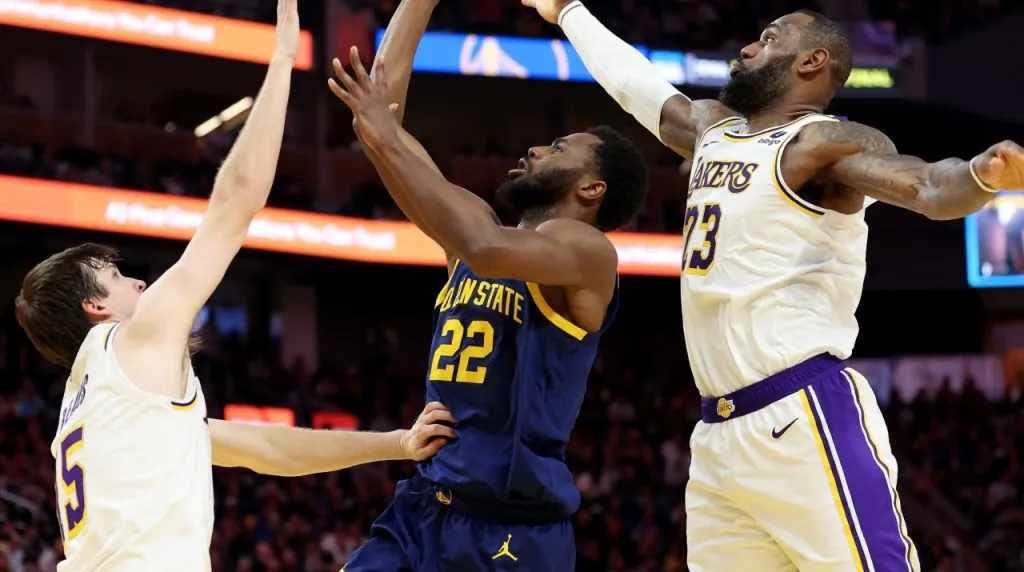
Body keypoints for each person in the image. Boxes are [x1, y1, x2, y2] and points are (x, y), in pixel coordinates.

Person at [520, 2, 1024, 570]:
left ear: (812, 61)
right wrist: (568, 11)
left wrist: (983, 175)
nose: (747, 47)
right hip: (716, 435)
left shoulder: (822, 143)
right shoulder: (713, 127)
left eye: (769, 37)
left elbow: (927, 185)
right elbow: (634, 84)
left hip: (803, 410)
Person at [12, 1, 456, 569]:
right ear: (96, 306)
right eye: (118, 277)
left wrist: (395, 443)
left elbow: (268, 447)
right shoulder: (132, 341)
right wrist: (283, 58)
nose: (141, 282)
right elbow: (236, 200)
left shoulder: (103, 403)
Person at [326, 4, 649, 568]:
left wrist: (385, 134)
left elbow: (488, 250)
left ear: (592, 188)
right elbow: (383, 130)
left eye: (557, 147)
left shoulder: (587, 253)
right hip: (423, 508)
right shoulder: (470, 229)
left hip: (511, 529)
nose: (534, 150)